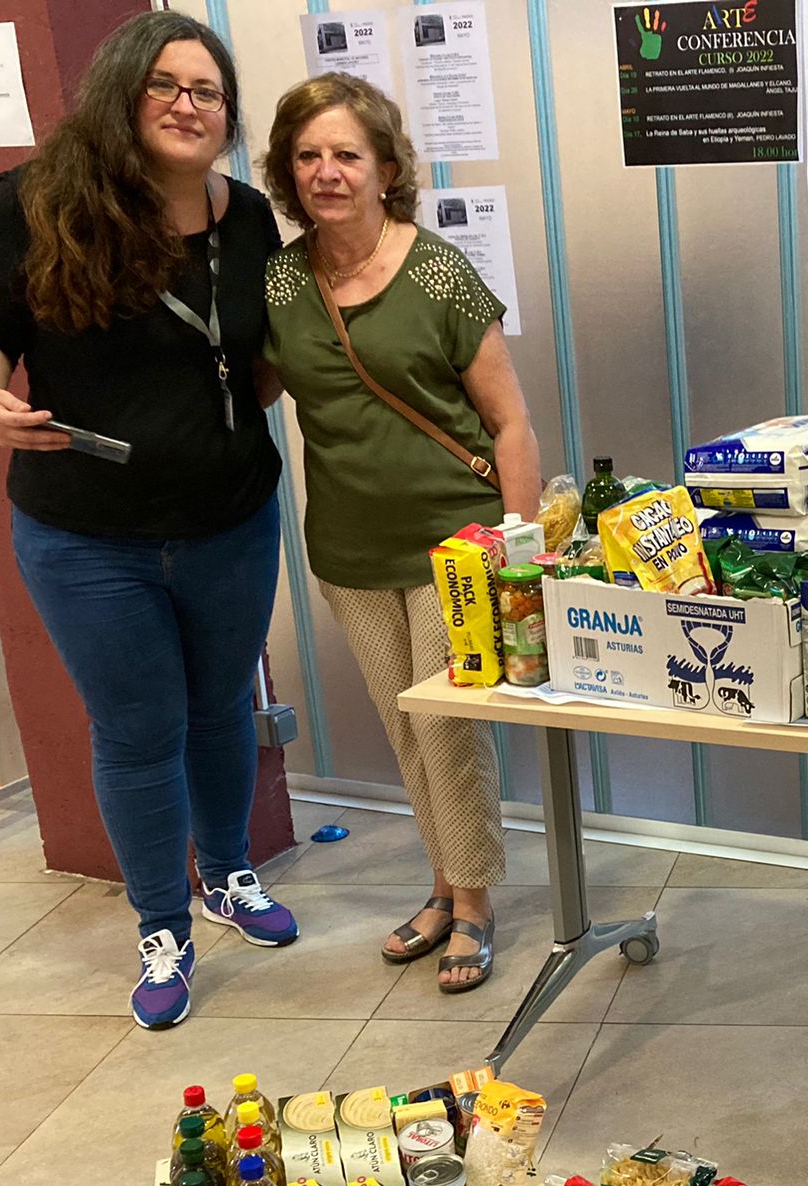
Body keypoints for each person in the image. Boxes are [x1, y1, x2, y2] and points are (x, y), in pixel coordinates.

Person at [0, 12, 298, 1031]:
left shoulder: (248, 218)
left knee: (224, 703)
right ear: (121, 93)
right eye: (167, 85)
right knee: (139, 732)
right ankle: (161, 927)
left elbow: (261, 367)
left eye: (209, 91)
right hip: (86, 535)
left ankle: (226, 876)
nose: (190, 105)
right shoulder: (37, 204)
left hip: (230, 515)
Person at [262, 73, 539, 995]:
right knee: (404, 729)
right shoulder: (280, 282)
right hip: (347, 548)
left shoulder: (437, 272)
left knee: (449, 729)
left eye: (347, 154)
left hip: (451, 543)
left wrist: (521, 552)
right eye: (309, 155)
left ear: (386, 169)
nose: (327, 172)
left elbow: (510, 425)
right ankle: (444, 883)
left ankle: (474, 905)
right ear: (287, 170)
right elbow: (258, 387)